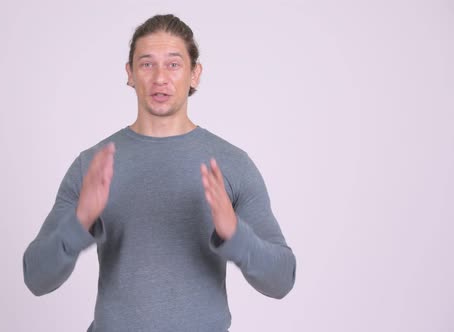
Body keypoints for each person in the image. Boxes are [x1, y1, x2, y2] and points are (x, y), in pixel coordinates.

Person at [23, 14, 296, 332]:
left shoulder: (232, 165)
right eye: (147, 64)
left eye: (174, 64)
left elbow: (281, 280)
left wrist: (235, 234)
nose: (160, 78)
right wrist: (79, 222)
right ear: (130, 74)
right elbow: (36, 278)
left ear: (195, 74)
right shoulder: (93, 165)